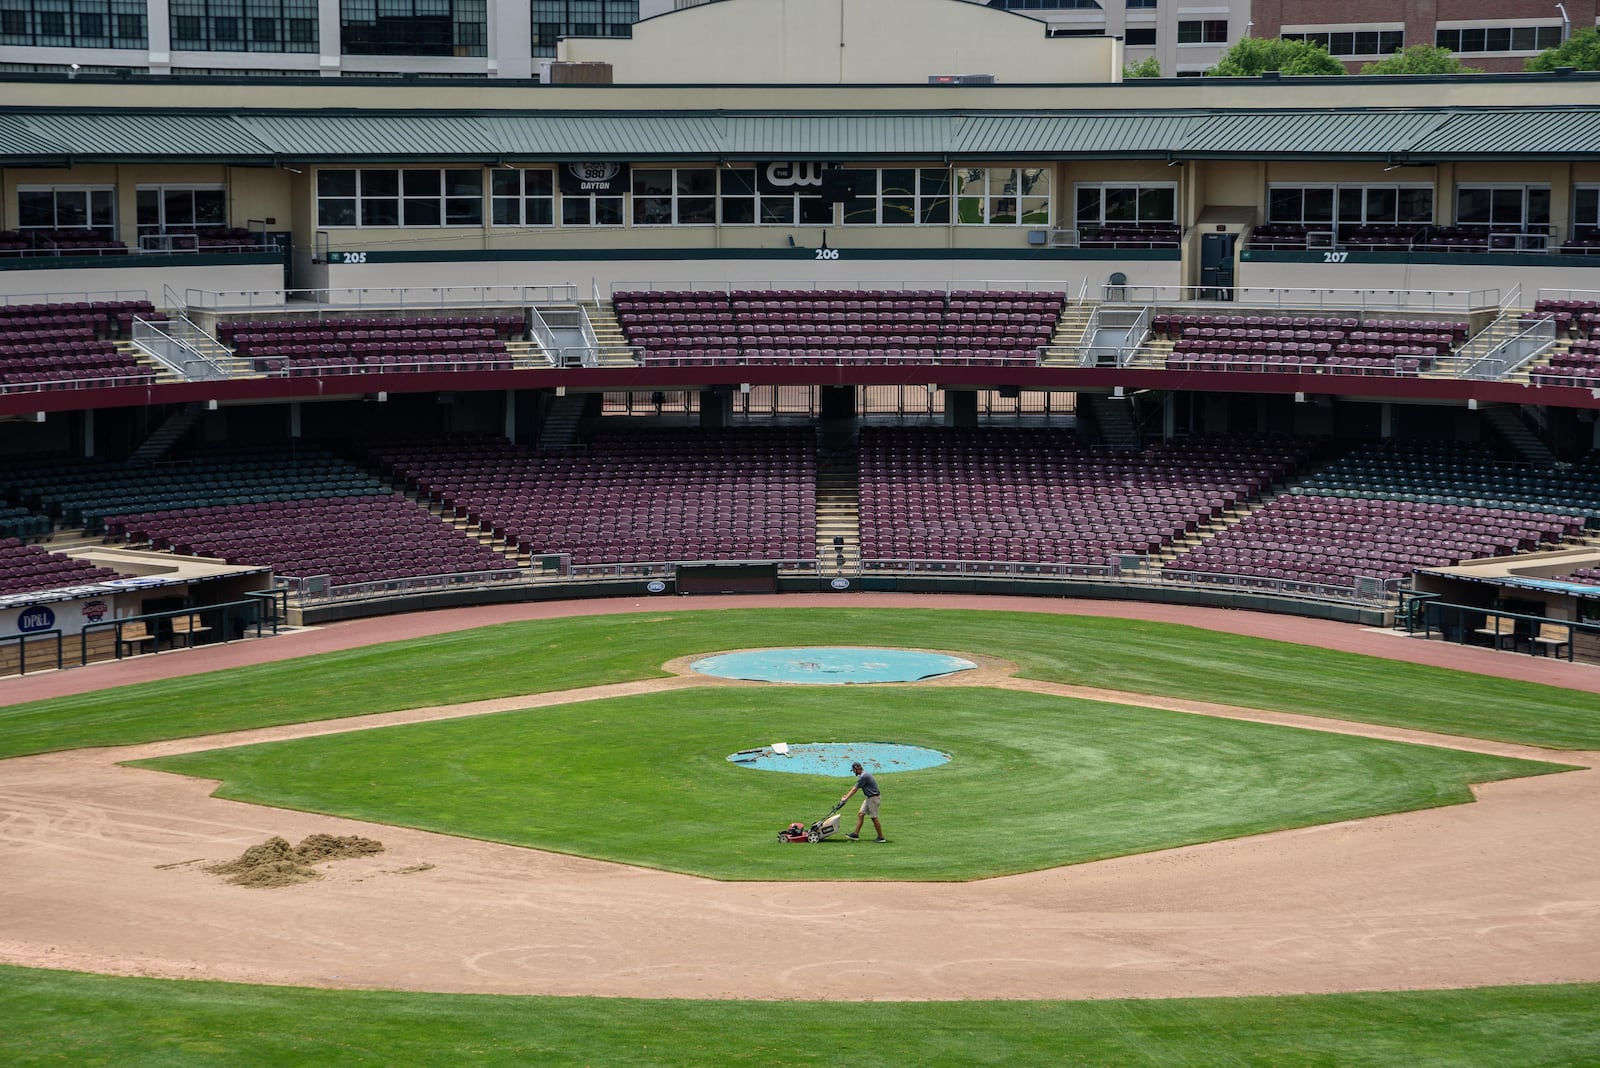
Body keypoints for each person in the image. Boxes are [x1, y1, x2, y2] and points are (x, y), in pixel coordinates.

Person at [841, 761, 885, 842]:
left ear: (856, 769)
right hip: (869, 798)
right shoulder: (863, 775)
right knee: (861, 814)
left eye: (853, 770)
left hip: (873, 798)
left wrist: (846, 797)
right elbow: (854, 788)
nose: (853, 772)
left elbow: (855, 789)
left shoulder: (864, 776)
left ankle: (881, 837)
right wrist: (846, 796)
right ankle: (855, 834)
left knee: (874, 818)